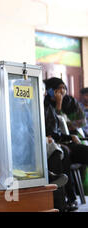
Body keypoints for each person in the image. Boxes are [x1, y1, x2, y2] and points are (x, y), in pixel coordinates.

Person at [44, 77, 88, 210]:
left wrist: (70, 133)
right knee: (64, 152)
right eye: (58, 88)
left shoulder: (71, 102)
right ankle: (70, 198)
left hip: (70, 138)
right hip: (61, 141)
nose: (61, 91)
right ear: (50, 90)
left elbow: (81, 122)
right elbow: (56, 126)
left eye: (64, 88)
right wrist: (58, 105)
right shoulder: (46, 105)